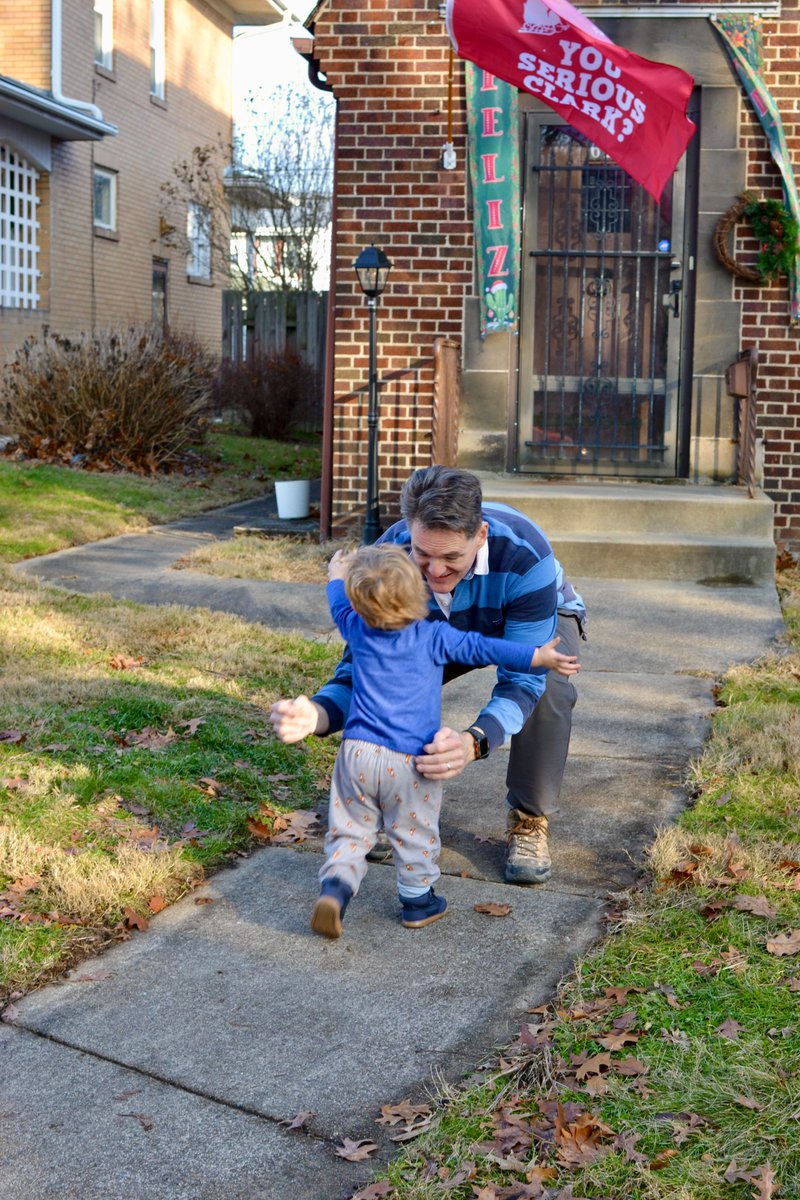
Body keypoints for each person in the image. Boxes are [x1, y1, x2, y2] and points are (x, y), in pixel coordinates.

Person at [270, 466, 587, 887]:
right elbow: (364, 668)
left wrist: (473, 741)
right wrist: (319, 713)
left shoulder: (528, 557)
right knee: (397, 675)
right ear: (408, 532)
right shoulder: (389, 557)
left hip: (519, 621)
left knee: (549, 684)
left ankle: (530, 817)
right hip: (432, 629)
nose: (435, 571)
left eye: (451, 556)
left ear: (481, 535)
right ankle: (385, 800)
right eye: (424, 554)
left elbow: (522, 679)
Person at [303, 543, 579, 938]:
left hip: (356, 752)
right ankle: (417, 902)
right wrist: (537, 657)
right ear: (420, 596)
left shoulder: (356, 627)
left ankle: (336, 888)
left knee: (350, 828)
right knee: (414, 829)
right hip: (411, 759)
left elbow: (336, 600)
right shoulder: (434, 636)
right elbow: (487, 647)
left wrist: (336, 573)